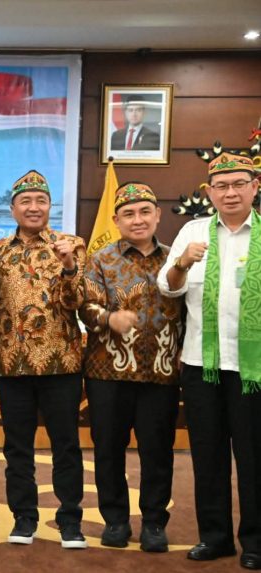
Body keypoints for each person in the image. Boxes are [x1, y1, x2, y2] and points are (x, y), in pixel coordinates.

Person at [157, 151, 261, 569]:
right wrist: (182, 262)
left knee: (254, 458)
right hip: (203, 365)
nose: (230, 192)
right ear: (209, 192)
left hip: (254, 368)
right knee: (208, 455)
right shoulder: (193, 230)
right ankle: (215, 537)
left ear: (255, 187)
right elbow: (168, 287)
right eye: (222, 186)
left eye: (239, 184)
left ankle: (255, 543)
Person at [0, 169, 88, 549]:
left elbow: (77, 302)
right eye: (25, 201)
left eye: (41, 200)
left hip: (62, 365)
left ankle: (70, 521)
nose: (34, 207)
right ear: (12, 209)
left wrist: (69, 266)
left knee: (66, 446)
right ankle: (24, 518)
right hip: (12, 366)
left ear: (50, 206)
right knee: (17, 448)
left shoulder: (71, 245)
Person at [80, 182, 182, 553]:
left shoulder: (175, 259)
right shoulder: (100, 259)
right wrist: (109, 318)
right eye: (129, 214)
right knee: (108, 449)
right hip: (108, 373)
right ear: (116, 220)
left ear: (157, 215)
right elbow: (85, 307)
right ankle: (115, 521)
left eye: (144, 212)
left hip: (161, 372)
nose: (137, 220)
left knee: (158, 451)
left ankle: (154, 523)